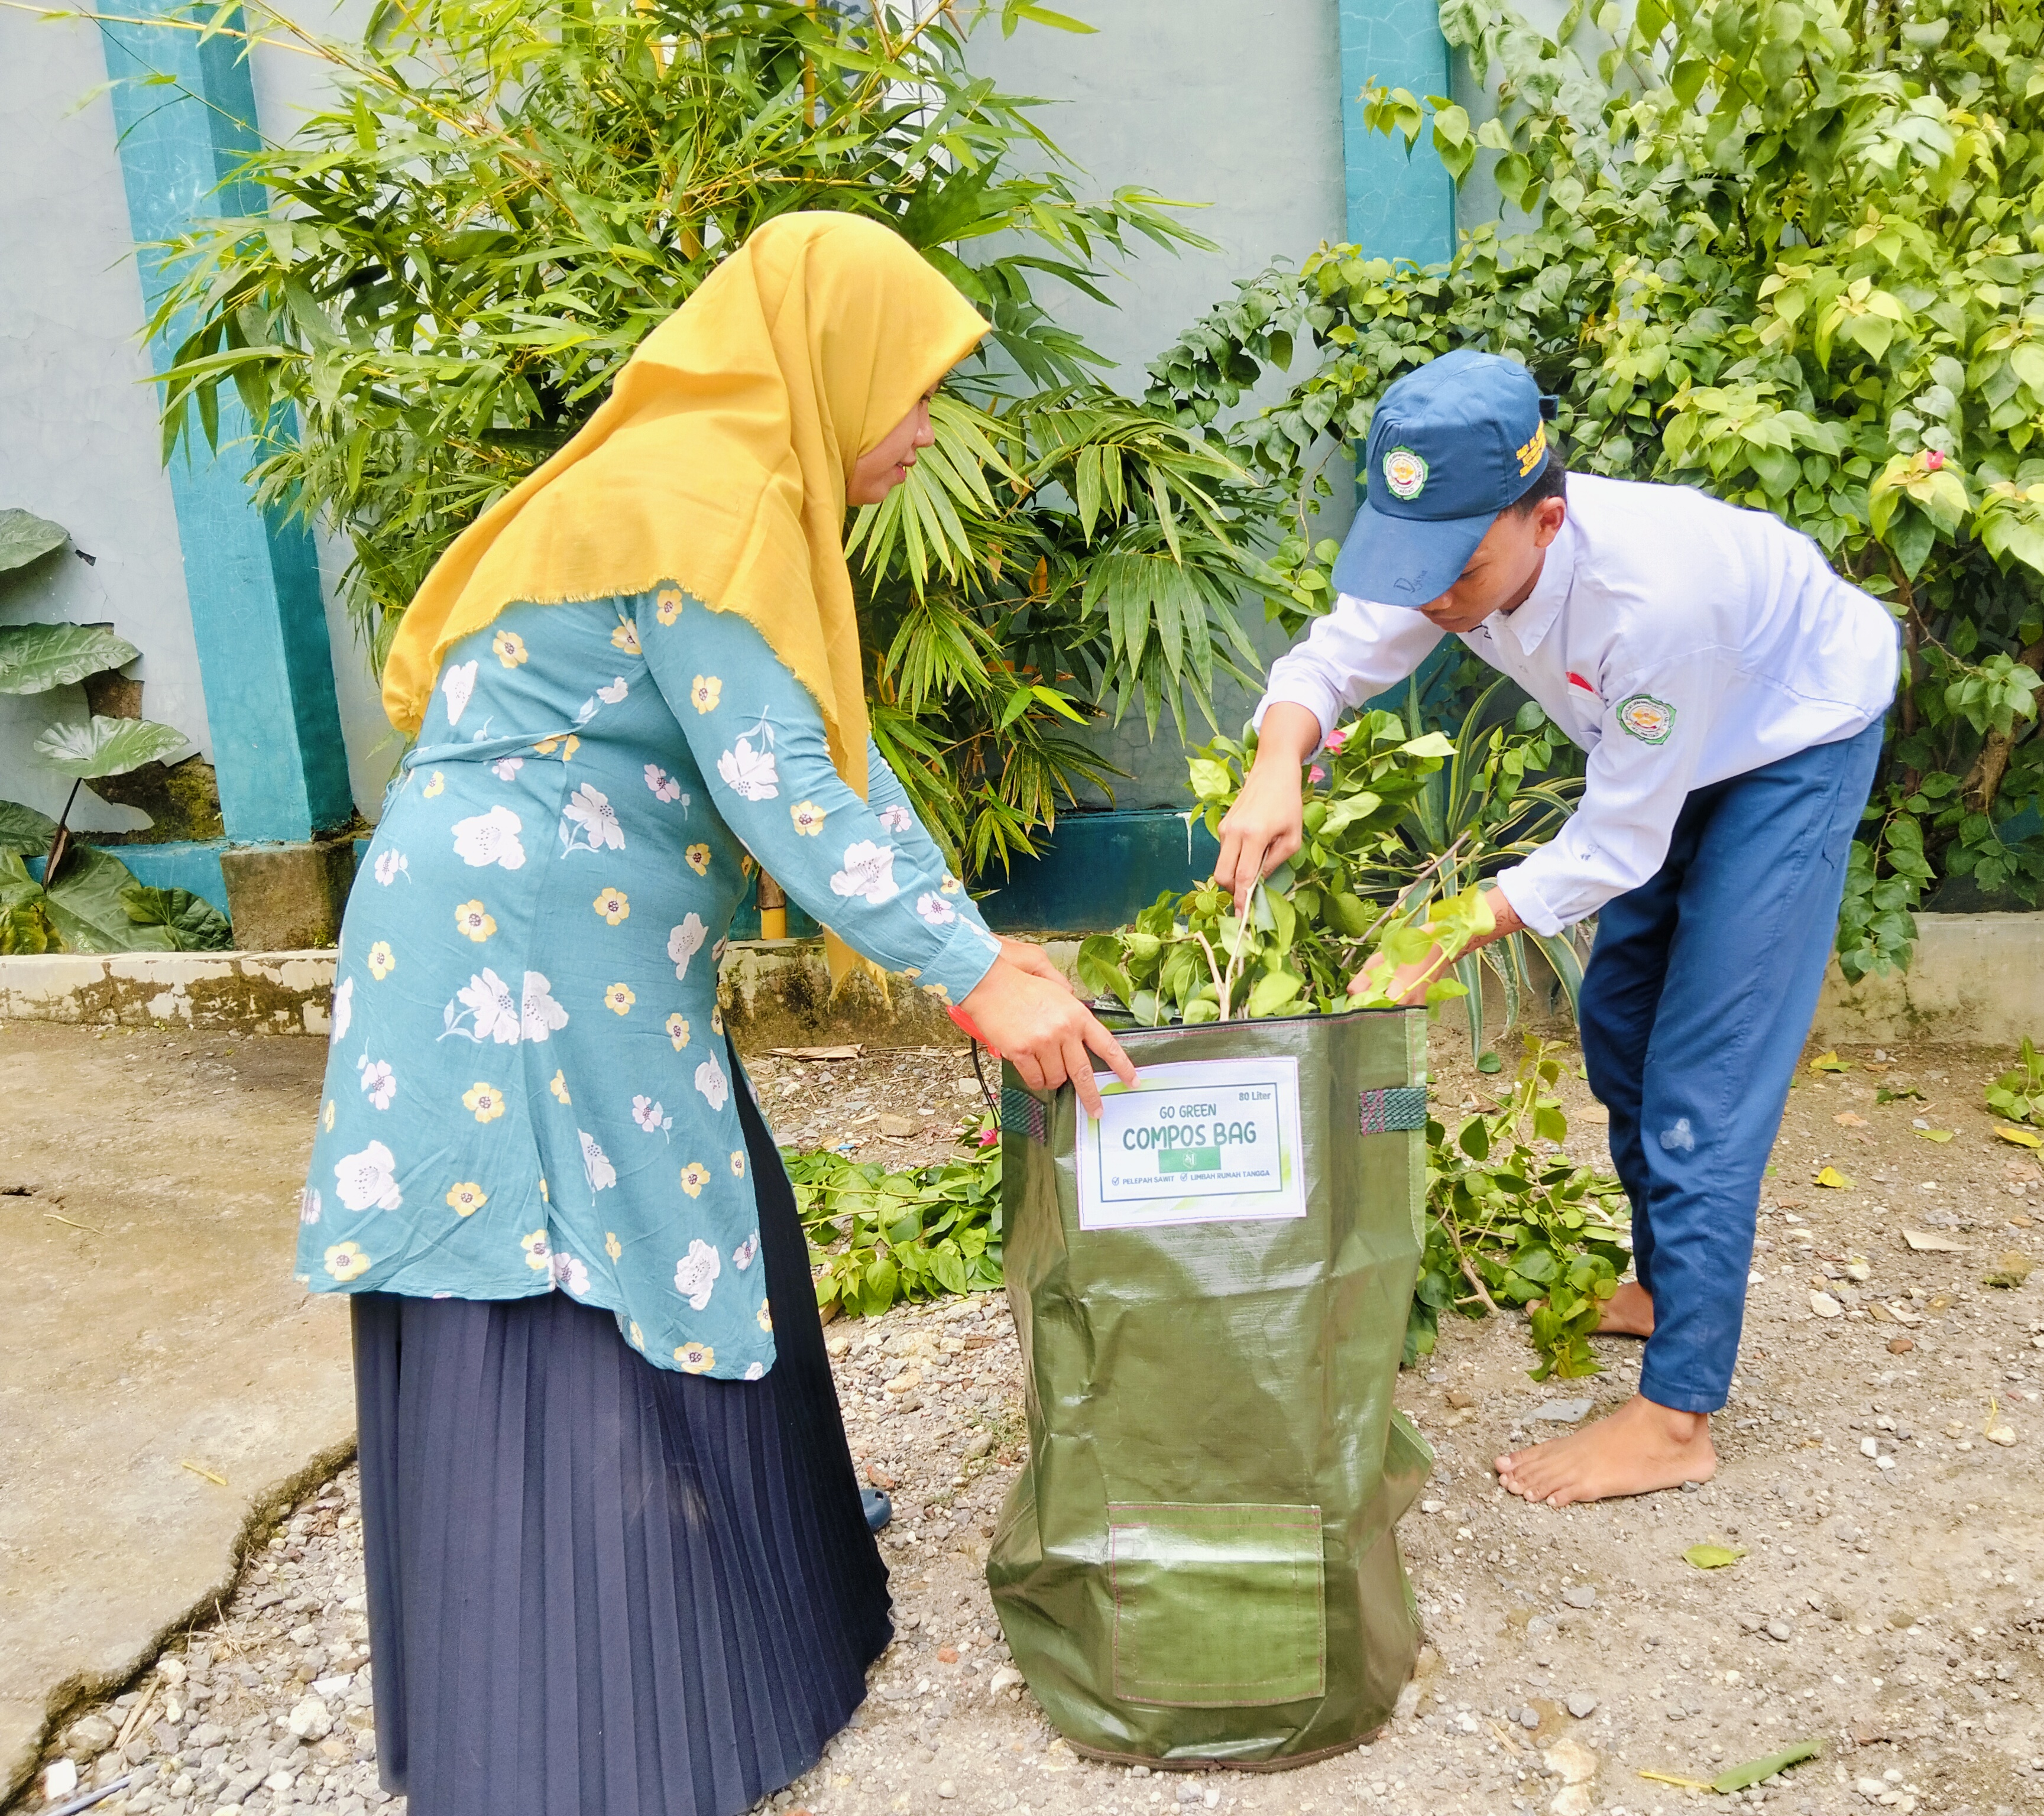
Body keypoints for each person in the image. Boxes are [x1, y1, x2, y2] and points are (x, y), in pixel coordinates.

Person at [295, 212, 1135, 1816]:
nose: (925, 434)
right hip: (520, 959)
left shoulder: (730, 497)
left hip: (562, 937)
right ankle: (598, 1693)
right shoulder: (695, 502)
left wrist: (985, 946)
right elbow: (792, 799)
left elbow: (832, 756)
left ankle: (755, 1553)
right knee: (580, 1247)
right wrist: (976, 980)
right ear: (832, 365)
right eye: (918, 391)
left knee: (696, 1204)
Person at [1211, 349, 1897, 1506]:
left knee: (1702, 1081)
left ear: (1545, 517)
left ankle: (1679, 1418)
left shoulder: (1651, 603)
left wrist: (1460, 922)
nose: (1428, 594)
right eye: (1407, 560)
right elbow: (1333, 660)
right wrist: (1277, 762)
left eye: (1454, 567)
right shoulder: (1446, 542)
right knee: (1618, 1019)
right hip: (1674, 740)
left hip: (1791, 734)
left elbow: (1621, 840)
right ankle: (1663, 1285)